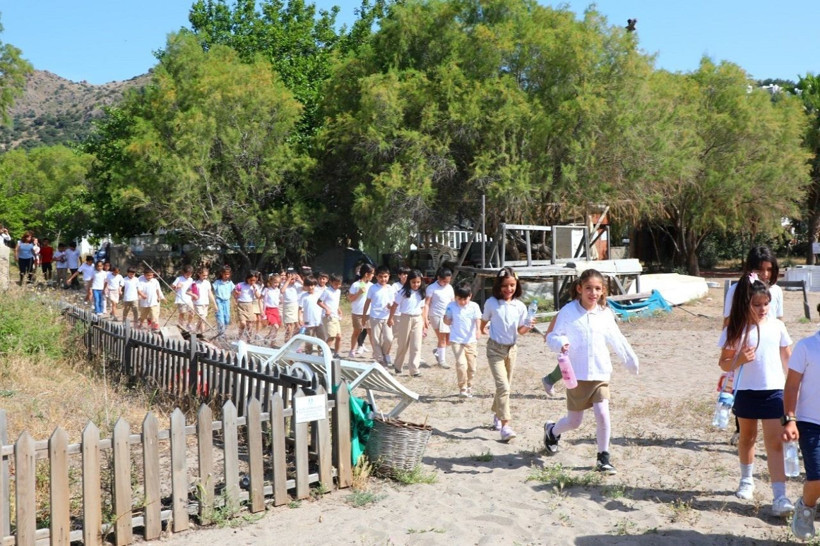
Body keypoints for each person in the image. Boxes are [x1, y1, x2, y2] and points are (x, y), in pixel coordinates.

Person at [543, 269, 639, 473]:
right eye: (588, 288)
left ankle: (603, 458)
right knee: (574, 422)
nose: (593, 293)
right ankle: (552, 431)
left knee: (603, 414)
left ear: (603, 291)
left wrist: (630, 360)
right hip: (576, 376)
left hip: (600, 374)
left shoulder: (605, 314)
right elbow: (551, 336)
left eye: (597, 289)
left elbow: (617, 338)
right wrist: (560, 342)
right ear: (579, 289)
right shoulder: (568, 312)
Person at [716, 273, 793, 516]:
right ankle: (746, 480)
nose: (762, 309)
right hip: (746, 392)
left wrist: (795, 388)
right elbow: (724, 363)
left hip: (774, 392)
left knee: (774, 443)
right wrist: (739, 359)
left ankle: (780, 496)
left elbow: (788, 360)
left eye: (766, 304)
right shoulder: (736, 329)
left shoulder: (778, 326)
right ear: (745, 304)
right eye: (757, 304)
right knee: (747, 437)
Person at [722, 246, 783, 446]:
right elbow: (729, 321)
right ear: (750, 269)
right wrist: (730, 347)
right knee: (741, 388)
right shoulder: (736, 290)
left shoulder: (776, 291)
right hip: (745, 347)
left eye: (769, 269)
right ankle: (741, 429)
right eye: (760, 269)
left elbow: (779, 319)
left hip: (768, 347)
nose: (765, 275)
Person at [480, 266, 534, 442]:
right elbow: (483, 323)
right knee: (503, 387)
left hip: (512, 350)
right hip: (494, 349)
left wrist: (529, 325)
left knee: (505, 386)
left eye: (512, 285)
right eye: (504, 285)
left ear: (516, 285)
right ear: (498, 286)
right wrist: (482, 331)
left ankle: (497, 413)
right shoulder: (491, 303)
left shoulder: (519, 306)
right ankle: (505, 426)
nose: (508, 289)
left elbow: (521, 330)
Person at [782, 308, 820, 539]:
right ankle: (805, 507)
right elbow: (792, 385)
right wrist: (790, 419)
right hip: (810, 423)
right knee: (817, 478)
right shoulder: (807, 346)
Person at [444, 283, 482, 397]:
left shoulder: (474, 306)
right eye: (459, 299)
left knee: (472, 367)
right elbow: (447, 321)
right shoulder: (451, 306)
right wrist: (446, 319)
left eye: (465, 299)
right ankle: (463, 388)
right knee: (461, 364)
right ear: (455, 297)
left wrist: (478, 330)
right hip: (456, 340)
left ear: (470, 296)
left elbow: (478, 318)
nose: (462, 302)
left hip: (470, 340)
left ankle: (469, 384)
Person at [389, 269, 426, 376]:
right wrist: (390, 318)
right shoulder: (403, 292)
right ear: (409, 281)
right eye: (413, 282)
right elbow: (395, 305)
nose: (416, 284)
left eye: (418, 282)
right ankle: (398, 365)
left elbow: (422, 307)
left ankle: (414, 369)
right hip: (405, 318)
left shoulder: (421, 292)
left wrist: (424, 321)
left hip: (417, 319)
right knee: (403, 344)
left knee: (416, 345)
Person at [363, 265, 395, 368]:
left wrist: (391, 315)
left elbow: (393, 304)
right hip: (375, 317)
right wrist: (364, 316)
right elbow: (367, 302)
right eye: (380, 276)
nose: (383, 279)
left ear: (388, 276)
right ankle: (380, 359)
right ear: (376, 277)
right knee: (376, 340)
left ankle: (385, 353)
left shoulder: (390, 288)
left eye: (385, 276)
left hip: (386, 317)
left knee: (389, 338)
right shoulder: (373, 288)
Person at [424, 267, 454, 369]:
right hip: (436, 315)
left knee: (449, 340)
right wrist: (425, 318)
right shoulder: (432, 288)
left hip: (448, 315)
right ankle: (442, 361)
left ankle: (438, 351)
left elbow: (452, 302)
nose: (446, 283)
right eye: (444, 281)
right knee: (442, 338)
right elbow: (427, 303)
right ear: (438, 278)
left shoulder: (449, 288)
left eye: (448, 281)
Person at [348, 263, 374, 358]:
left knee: (371, 332)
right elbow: (350, 298)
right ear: (366, 274)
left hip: (369, 313)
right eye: (372, 274)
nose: (373, 276)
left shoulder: (372, 286)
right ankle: (352, 349)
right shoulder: (356, 285)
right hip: (357, 313)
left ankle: (375, 352)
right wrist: (359, 293)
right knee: (357, 331)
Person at [318, 273, 344, 356]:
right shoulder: (327, 291)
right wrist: (327, 309)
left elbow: (335, 303)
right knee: (331, 336)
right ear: (331, 282)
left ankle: (336, 353)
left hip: (335, 316)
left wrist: (339, 310)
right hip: (328, 317)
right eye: (336, 284)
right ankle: (323, 353)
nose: (337, 286)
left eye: (339, 284)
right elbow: (319, 302)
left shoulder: (338, 291)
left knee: (339, 336)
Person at [298, 276, 323, 353]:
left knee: (321, 339)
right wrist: (300, 318)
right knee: (309, 339)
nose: (310, 287)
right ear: (305, 286)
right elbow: (300, 309)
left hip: (319, 320)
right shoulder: (303, 296)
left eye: (312, 285)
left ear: (315, 285)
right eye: (308, 285)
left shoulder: (319, 294)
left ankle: (321, 353)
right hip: (308, 321)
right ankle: (308, 353)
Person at [234, 272, 261, 340]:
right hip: (241, 305)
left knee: (250, 324)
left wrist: (255, 289)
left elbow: (258, 296)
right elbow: (235, 294)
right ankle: (239, 336)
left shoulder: (255, 286)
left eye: (254, 280)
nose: (252, 282)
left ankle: (249, 338)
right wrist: (236, 294)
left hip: (250, 305)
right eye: (251, 280)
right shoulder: (240, 285)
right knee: (243, 323)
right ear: (247, 279)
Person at [281, 268, 303, 341]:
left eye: (294, 279)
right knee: (289, 326)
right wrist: (288, 280)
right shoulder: (283, 284)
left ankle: (293, 340)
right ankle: (287, 340)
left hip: (295, 306)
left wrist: (299, 280)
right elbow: (282, 291)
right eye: (291, 279)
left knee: (296, 326)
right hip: (287, 306)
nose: (293, 281)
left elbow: (306, 287)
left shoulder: (296, 285)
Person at [172, 265, 196, 331]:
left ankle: (189, 324)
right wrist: (177, 286)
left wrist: (193, 294)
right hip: (181, 299)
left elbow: (191, 289)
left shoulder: (191, 279)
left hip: (188, 299)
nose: (188, 276)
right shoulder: (179, 279)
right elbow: (172, 286)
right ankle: (181, 325)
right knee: (182, 313)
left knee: (192, 312)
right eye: (187, 274)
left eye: (190, 274)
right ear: (183, 272)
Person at [213, 266, 235, 336]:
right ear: (222, 274)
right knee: (220, 317)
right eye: (225, 274)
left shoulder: (230, 283)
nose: (226, 276)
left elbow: (234, 291)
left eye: (228, 274)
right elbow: (212, 290)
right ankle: (221, 334)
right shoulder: (217, 282)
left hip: (227, 301)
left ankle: (223, 331)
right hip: (219, 301)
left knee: (227, 318)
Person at [192, 267, 213, 336]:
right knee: (202, 318)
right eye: (203, 275)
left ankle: (195, 332)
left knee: (202, 319)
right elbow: (188, 291)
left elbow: (210, 293)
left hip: (205, 303)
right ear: (199, 274)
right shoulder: (195, 283)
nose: (205, 277)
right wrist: (194, 295)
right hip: (198, 303)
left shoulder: (207, 283)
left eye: (206, 275)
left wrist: (214, 303)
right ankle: (202, 334)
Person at [262, 273, 282, 342]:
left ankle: (270, 340)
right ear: (271, 281)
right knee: (275, 326)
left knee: (277, 327)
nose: (277, 284)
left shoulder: (278, 290)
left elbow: (279, 299)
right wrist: (262, 311)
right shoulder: (267, 290)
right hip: (269, 310)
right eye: (275, 282)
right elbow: (260, 299)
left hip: (276, 310)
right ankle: (270, 339)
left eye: (278, 283)